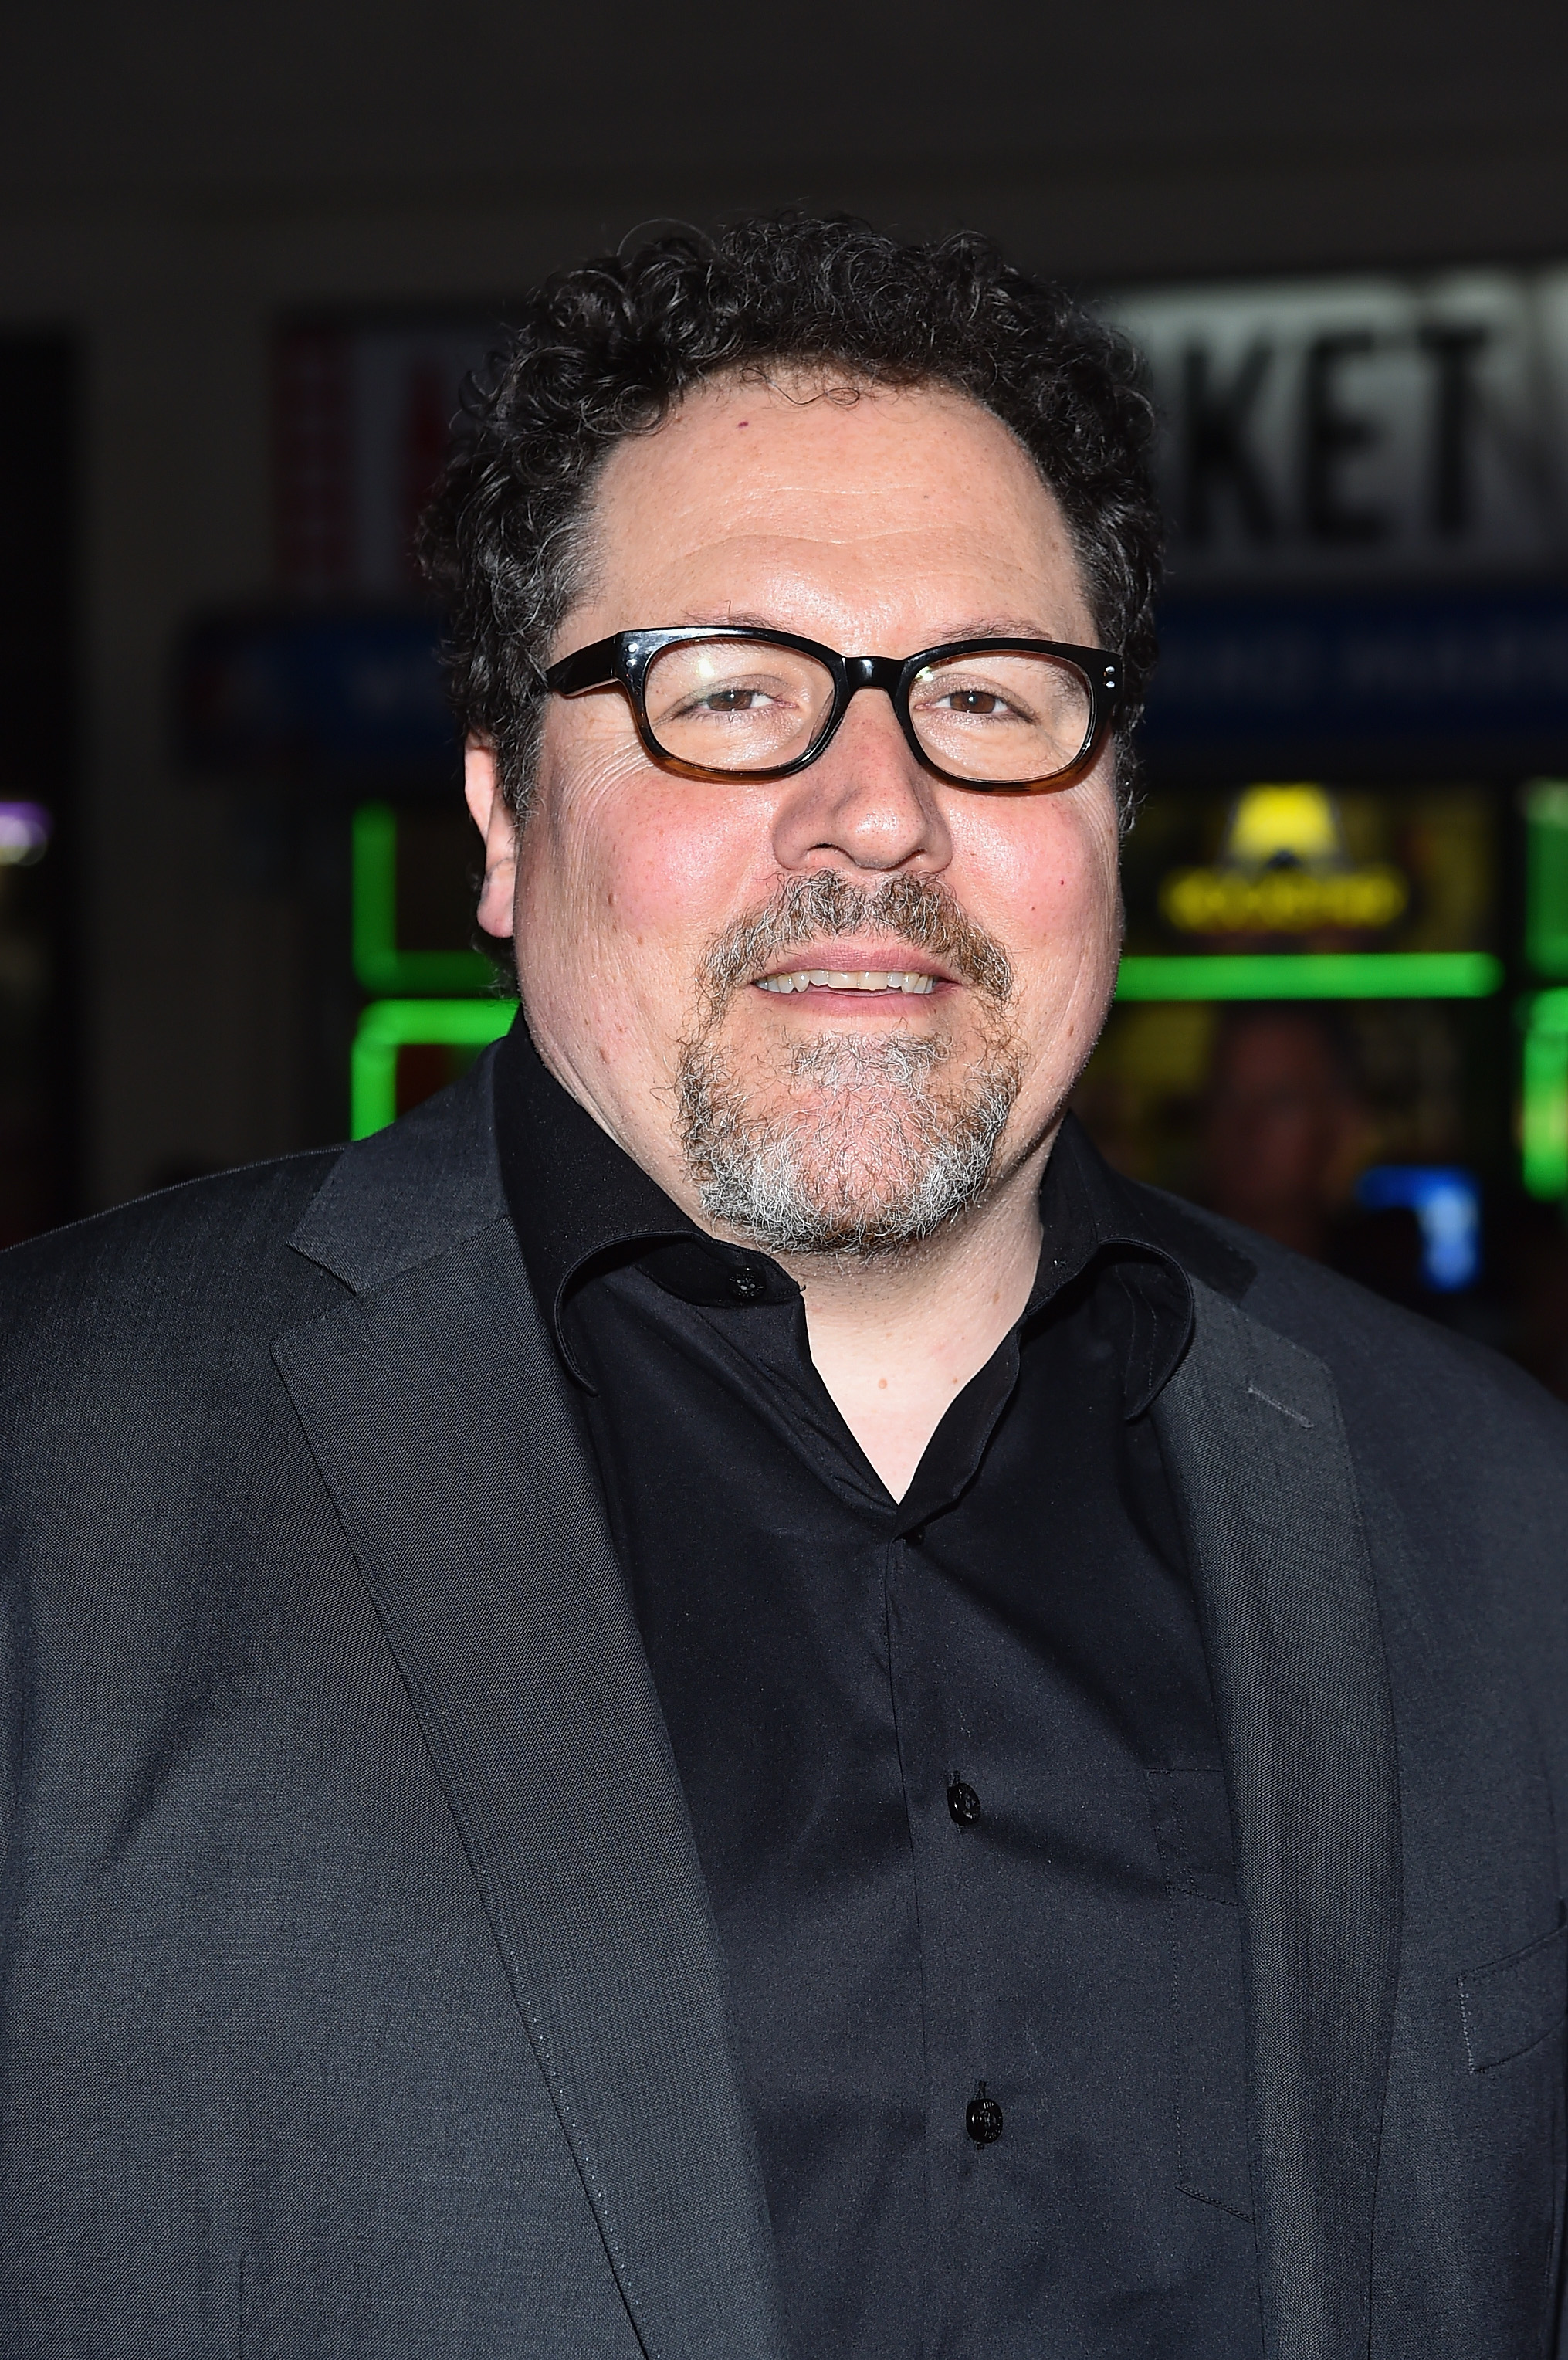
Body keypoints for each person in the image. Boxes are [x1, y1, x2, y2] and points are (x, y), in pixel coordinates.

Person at [2, 218, 1565, 2360]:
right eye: (731, 694)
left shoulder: (1495, 1521)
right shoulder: (52, 1495)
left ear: (1117, 808)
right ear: (499, 814)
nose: (878, 813)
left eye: (988, 698)